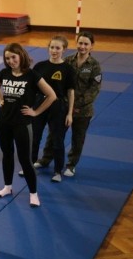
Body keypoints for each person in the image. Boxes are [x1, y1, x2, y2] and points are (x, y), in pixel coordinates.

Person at [0, 43, 56, 208]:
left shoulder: (32, 75)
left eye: (13, 57)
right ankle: (7, 187)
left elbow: (51, 95)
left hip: (22, 123)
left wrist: (35, 112)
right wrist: (0, 100)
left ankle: (33, 193)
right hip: (3, 121)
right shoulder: (4, 73)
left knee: (25, 160)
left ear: (21, 55)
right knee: (7, 154)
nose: (11, 61)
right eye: (7, 58)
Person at [37, 31, 102, 177]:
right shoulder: (67, 61)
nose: (82, 46)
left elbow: (94, 90)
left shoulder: (95, 66)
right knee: (54, 135)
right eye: (80, 43)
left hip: (83, 111)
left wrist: (76, 107)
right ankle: (46, 159)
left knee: (77, 138)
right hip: (63, 107)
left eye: (86, 44)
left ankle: (71, 165)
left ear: (92, 46)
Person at [30, 36, 75, 183]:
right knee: (34, 136)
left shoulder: (68, 69)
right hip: (39, 104)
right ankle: (29, 165)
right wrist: (30, 106)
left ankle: (57, 171)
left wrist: (69, 113)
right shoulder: (39, 66)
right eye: (52, 47)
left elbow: (70, 92)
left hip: (58, 106)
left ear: (64, 50)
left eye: (58, 48)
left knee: (57, 140)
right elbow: (31, 88)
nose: (54, 51)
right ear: (48, 48)